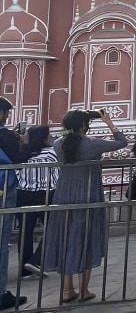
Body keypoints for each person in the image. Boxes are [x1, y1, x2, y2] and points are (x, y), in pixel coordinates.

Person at [43, 109, 127, 303]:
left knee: (66, 238)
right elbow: (122, 142)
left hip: (63, 195)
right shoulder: (91, 145)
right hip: (88, 195)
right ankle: (83, 290)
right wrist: (109, 122)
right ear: (83, 125)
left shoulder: (58, 144)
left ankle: (67, 290)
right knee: (86, 239)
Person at [16, 125, 57, 279]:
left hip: (23, 194)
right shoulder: (53, 153)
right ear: (45, 138)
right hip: (46, 194)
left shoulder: (23, 153)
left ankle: (25, 269)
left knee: (25, 231)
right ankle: (36, 260)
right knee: (55, 227)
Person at [0, 97, 26, 309]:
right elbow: (18, 159)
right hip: (3, 190)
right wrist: (23, 141)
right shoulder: (4, 134)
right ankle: (1, 293)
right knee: (1, 242)